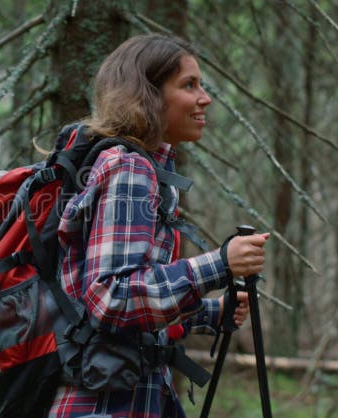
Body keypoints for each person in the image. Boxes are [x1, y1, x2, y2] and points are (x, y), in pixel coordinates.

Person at [48, 34, 269, 417]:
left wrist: (208, 313)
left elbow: (120, 302)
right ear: (147, 94)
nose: (205, 98)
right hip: (103, 404)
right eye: (189, 85)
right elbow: (109, 299)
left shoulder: (144, 167)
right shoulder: (130, 168)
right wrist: (220, 264)